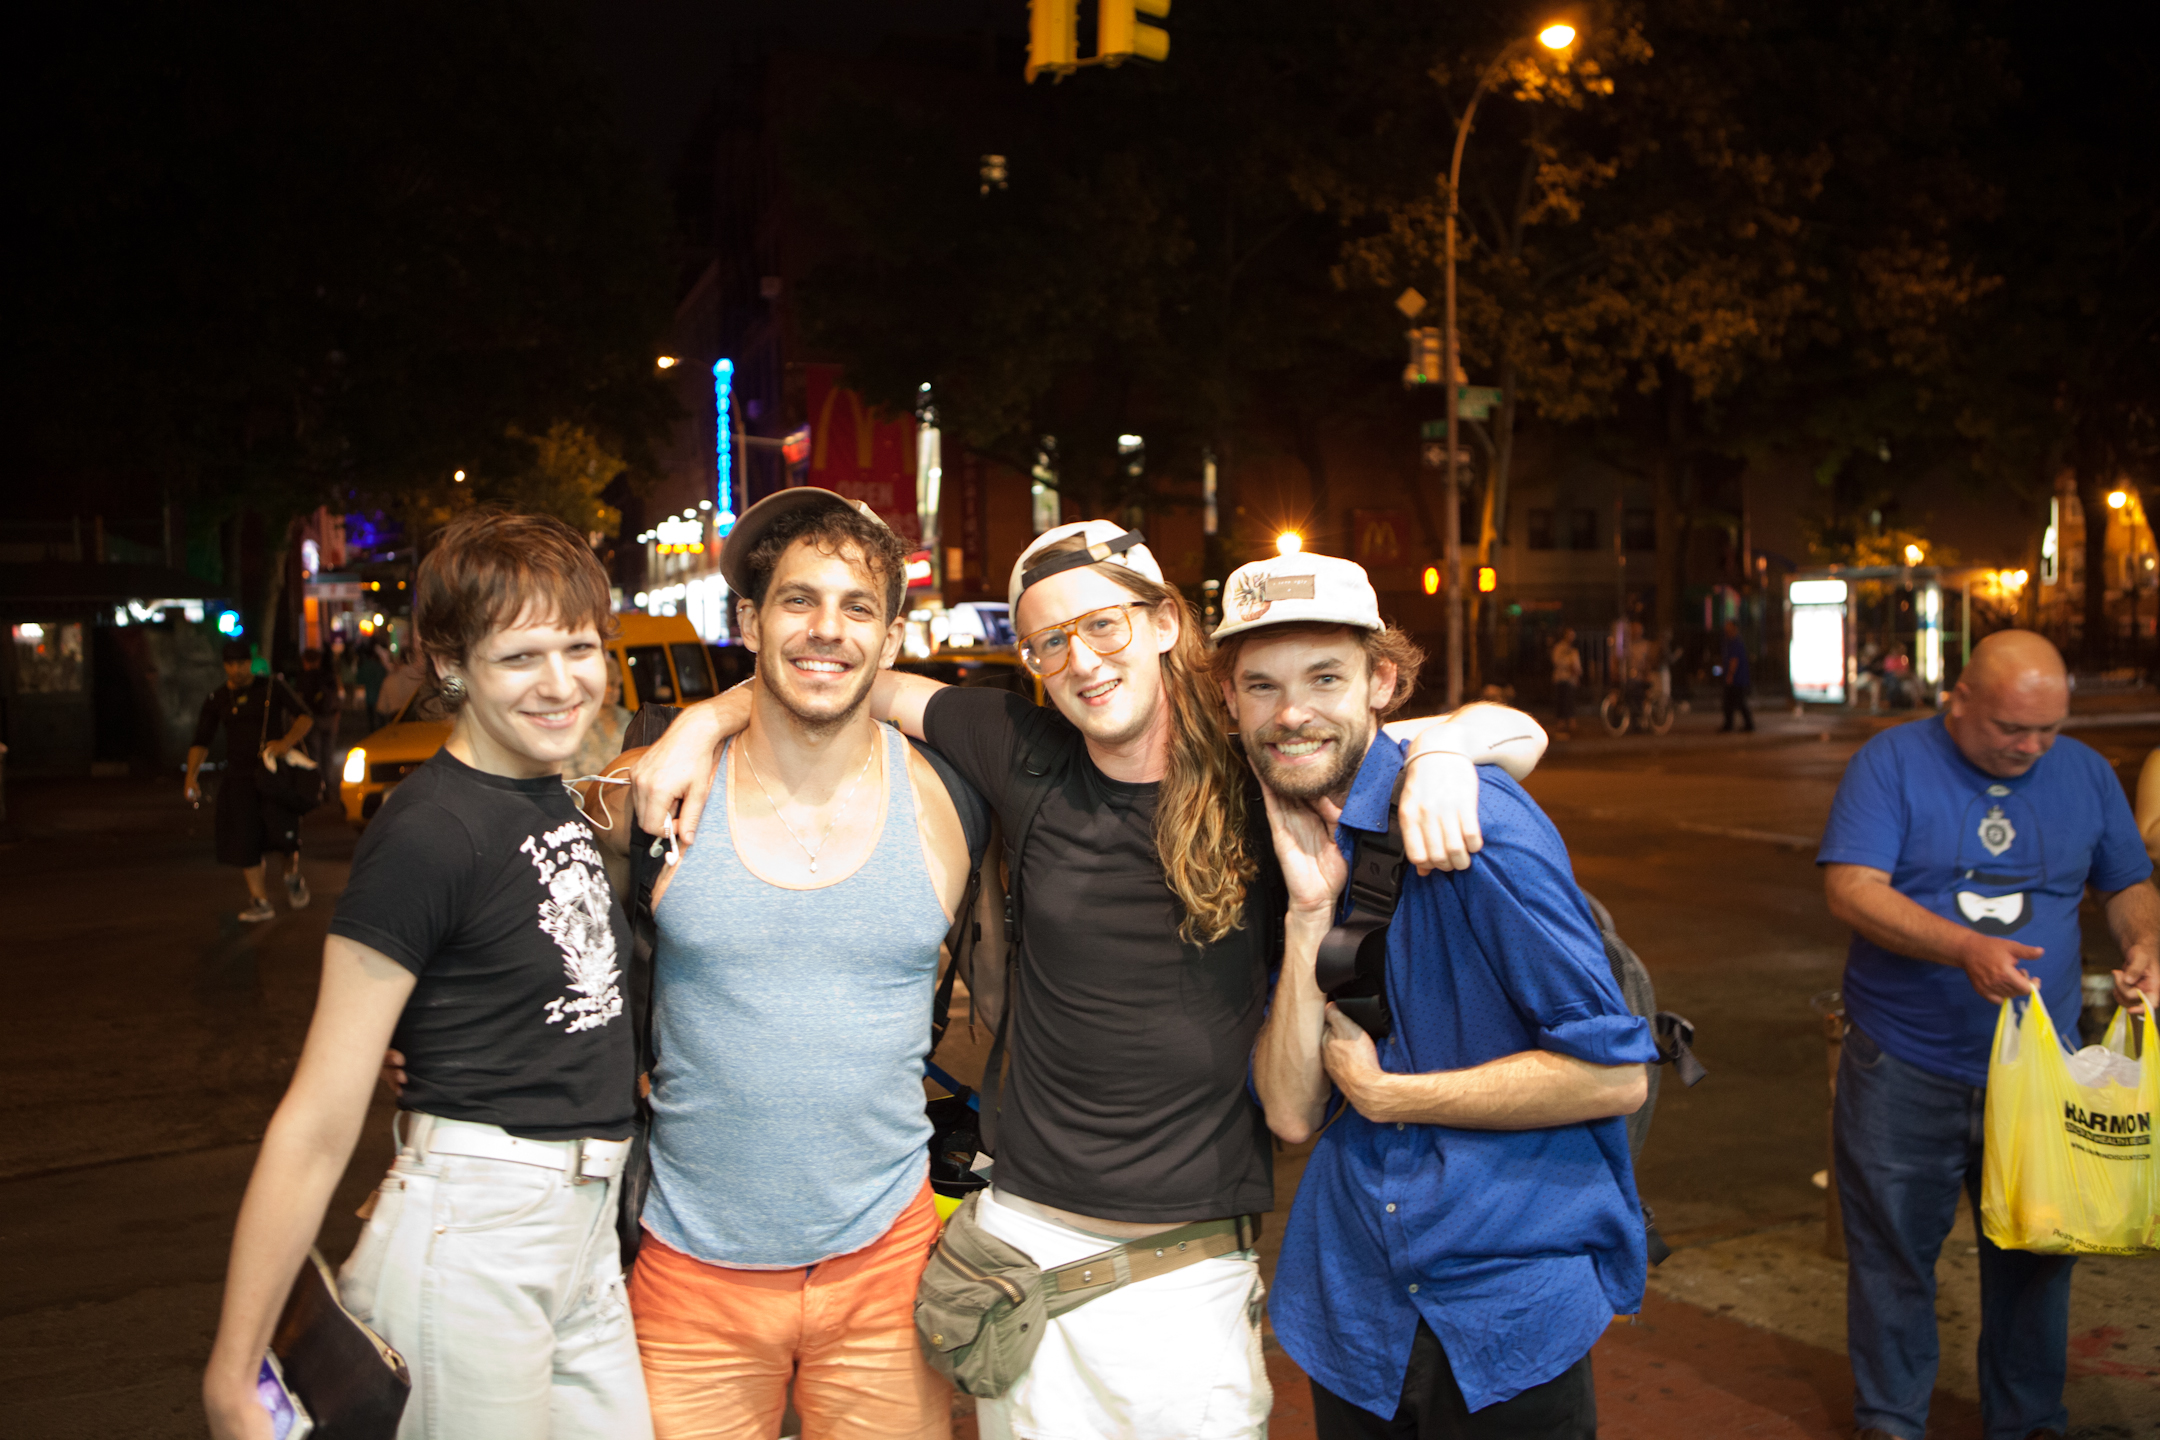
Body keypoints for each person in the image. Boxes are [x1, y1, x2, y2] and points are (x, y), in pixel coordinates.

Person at [633, 522, 1539, 1440]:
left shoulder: (1254, 764)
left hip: (1186, 1271)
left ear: (1161, 625)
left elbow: (1513, 733)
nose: (1082, 659)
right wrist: (703, 720)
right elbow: (839, 676)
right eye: (1050, 641)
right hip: (1020, 1259)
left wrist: (1447, 752)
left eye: (1103, 625)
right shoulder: (1023, 749)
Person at [201, 509, 650, 1440]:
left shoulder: (546, 793)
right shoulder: (426, 833)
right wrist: (233, 1371)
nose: (562, 683)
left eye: (579, 647)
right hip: (476, 1239)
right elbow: (317, 1120)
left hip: (582, 1237)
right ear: (450, 666)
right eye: (521, 657)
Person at [1231, 552, 1655, 1440]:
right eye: (1260, 685)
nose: (1292, 712)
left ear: (1382, 682)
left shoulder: (1477, 824)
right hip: (1355, 1310)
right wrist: (1309, 914)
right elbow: (1290, 1114)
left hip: (1502, 1311)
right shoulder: (1281, 836)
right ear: (1231, 702)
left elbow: (1613, 1078)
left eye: (1324, 678)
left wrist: (1394, 1097)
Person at [586, 489, 976, 1438]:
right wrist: (430, 1047)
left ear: (890, 640)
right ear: (751, 622)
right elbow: (522, 906)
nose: (827, 630)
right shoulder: (652, 797)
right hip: (688, 1276)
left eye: (858, 608)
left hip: (888, 1269)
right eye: (799, 601)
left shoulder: (953, 799)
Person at [1819, 628, 2159, 1440]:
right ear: (1958, 700)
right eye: (2012, 728)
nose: (2032, 747)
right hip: (1906, 1061)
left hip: (2046, 1070)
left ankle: (2029, 1421)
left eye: (2049, 728)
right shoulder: (1892, 762)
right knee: (1895, 1258)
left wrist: (2143, 943)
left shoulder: (2081, 773)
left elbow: (2126, 884)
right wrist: (1961, 947)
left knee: (2040, 1258)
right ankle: (1891, 1422)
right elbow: (1851, 888)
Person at [185, 640, 315, 923]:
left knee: (285, 832)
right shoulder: (217, 698)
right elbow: (201, 741)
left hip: (274, 774)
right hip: (239, 778)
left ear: (250, 662)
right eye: (231, 664)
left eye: (242, 663)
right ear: (224, 665)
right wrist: (190, 776)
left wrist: (286, 741)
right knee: (245, 838)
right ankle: (260, 899)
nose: (237, 669)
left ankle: (292, 876)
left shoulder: (271, 687)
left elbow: (305, 716)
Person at [569, 654, 632, 783]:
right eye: (605, 684)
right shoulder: (575, 724)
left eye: (615, 685)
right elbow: (566, 779)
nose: (610, 690)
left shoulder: (632, 723)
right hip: (581, 802)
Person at [293, 646, 346, 774]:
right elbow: (338, 696)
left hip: (312, 720)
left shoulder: (302, 678)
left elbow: (298, 702)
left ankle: (318, 782)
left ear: (304, 661)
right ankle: (328, 783)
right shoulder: (328, 676)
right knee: (328, 753)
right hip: (329, 718)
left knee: (314, 753)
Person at [1716, 620, 1754, 733]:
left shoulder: (1735, 642)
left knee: (1736, 702)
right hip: (1736, 678)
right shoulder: (1729, 641)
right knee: (1732, 703)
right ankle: (1732, 724)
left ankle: (1745, 725)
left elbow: (1734, 661)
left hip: (1737, 679)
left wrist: (1730, 675)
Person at [1549, 628, 1581, 739]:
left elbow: (1577, 666)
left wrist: (1577, 674)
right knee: (1562, 700)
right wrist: (1568, 665)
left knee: (1570, 700)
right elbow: (1557, 660)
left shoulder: (1573, 650)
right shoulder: (1559, 648)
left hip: (1571, 680)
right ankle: (1561, 722)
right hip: (1561, 678)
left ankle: (1571, 722)